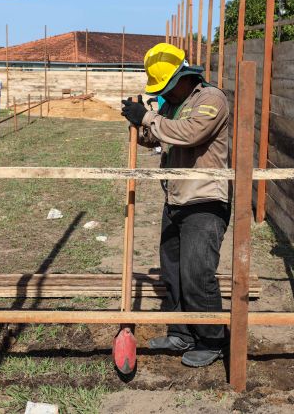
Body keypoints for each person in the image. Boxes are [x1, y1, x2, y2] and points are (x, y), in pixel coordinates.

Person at [120, 43, 231, 368]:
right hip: (177, 198)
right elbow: (158, 137)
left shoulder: (211, 99)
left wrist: (150, 117)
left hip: (205, 200)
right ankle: (182, 332)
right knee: (173, 274)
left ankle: (212, 341)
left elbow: (190, 133)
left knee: (197, 274)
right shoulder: (173, 104)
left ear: (185, 76)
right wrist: (138, 124)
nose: (166, 94)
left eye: (168, 87)